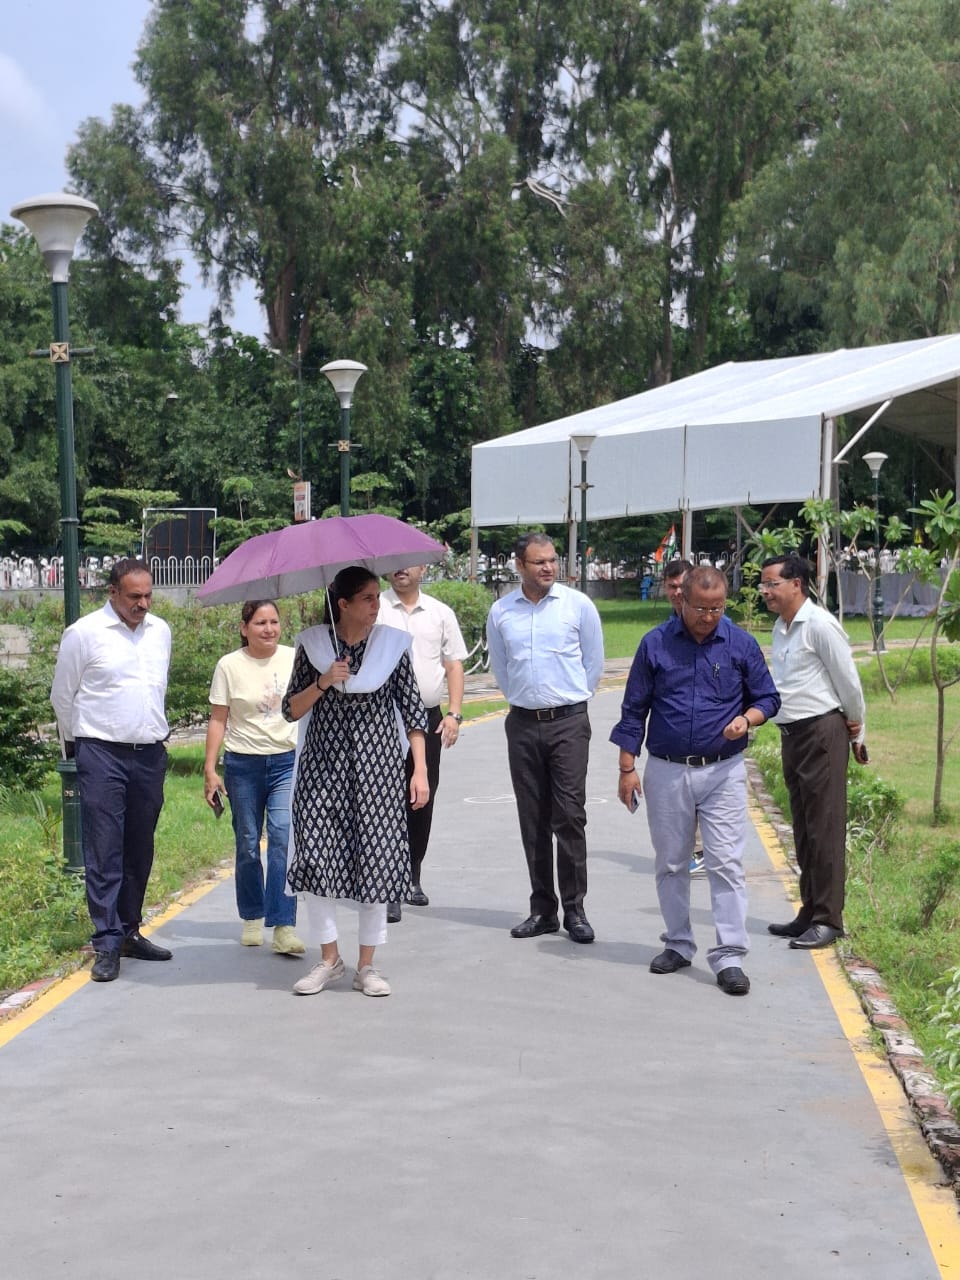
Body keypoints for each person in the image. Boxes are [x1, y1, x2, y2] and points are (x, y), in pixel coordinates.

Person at [611, 566, 780, 996]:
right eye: (701, 608)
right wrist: (627, 769)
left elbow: (768, 697)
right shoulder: (655, 644)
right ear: (681, 600)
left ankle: (730, 956)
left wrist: (748, 719)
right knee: (671, 862)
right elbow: (633, 710)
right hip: (667, 770)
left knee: (726, 863)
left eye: (717, 608)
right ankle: (678, 943)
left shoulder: (740, 643)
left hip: (723, 770)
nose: (708, 617)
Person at [282, 566, 429, 998]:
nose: (376, 605)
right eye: (367, 598)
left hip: (378, 769)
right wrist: (323, 681)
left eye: (377, 597)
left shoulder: (391, 646)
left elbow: (414, 711)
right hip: (322, 768)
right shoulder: (313, 646)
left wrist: (419, 770)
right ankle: (329, 959)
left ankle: (367, 966)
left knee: (375, 860)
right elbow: (291, 709)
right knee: (316, 857)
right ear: (342, 604)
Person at [50, 558, 173, 983]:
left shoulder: (160, 632)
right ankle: (105, 942)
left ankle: (129, 932)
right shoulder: (84, 634)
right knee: (105, 849)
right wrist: (79, 747)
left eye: (149, 595)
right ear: (113, 593)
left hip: (149, 753)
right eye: (134, 596)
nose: (143, 604)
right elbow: (62, 696)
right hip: (101, 753)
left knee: (139, 846)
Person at [486, 532, 604, 944]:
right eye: (539, 562)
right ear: (519, 565)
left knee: (569, 815)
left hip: (568, 722)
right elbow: (502, 668)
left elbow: (594, 664)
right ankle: (543, 910)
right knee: (532, 817)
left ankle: (575, 910)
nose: (549, 567)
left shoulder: (578, 606)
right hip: (522, 724)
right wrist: (527, 701)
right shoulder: (501, 612)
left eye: (552, 560)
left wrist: (568, 701)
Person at [760, 554, 868, 949]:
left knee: (825, 827)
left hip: (822, 733)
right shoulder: (781, 627)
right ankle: (809, 910)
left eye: (772, 584)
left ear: (796, 584)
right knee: (804, 828)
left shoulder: (820, 625)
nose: (765, 591)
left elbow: (848, 681)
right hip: (793, 735)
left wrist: (858, 729)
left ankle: (828, 919)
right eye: (763, 585)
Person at [204, 600, 304, 955]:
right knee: (247, 842)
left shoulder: (295, 658)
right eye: (260, 622)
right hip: (243, 765)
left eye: (274, 621)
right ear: (244, 627)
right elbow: (218, 718)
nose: (269, 629)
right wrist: (210, 769)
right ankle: (252, 914)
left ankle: (283, 924)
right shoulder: (229, 665)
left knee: (282, 838)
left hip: (286, 762)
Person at [378, 565, 468, 921]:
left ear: (423, 567)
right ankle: (391, 882)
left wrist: (454, 714)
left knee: (421, 797)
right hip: (383, 716)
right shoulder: (375, 607)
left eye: (409, 562)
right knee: (384, 798)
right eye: (394, 561)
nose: (401, 568)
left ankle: (413, 873)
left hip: (428, 716)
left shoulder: (440, 613)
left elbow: (453, 664)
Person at [661, 558, 705, 877]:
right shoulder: (666, 631)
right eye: (672, 586)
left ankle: (700, 851)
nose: (677, 592)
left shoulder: (711, 623)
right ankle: (692, 849)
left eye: (682, 585)